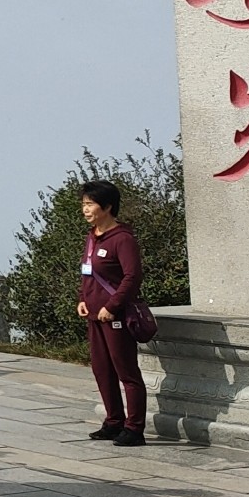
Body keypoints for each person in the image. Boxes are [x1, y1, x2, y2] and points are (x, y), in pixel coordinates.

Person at [77, 179, 147, 448]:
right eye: (83, 204)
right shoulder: (92, 237)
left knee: (126, 371)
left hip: (116, 317)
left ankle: (134, 427)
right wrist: (82, 299)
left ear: (107, 206)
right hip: (94, 315)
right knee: (101, 370)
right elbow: (87, 272)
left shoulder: (123, 239)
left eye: (90, 204)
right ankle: (113, 421)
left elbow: (132, 276)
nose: (85, 209)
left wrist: (112, 306)